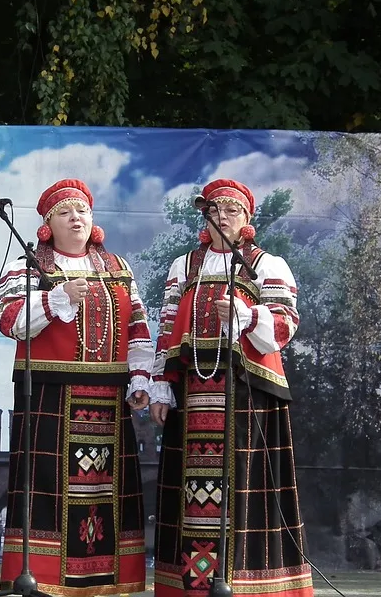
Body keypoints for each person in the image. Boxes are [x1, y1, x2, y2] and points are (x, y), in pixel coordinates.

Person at [131, 179, 314, 597]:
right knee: (194, 487)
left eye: (233, 210)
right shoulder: (186, 266)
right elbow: (167, 328)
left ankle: (250, 583)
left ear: (248, 219)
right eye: (216, 209)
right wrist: (161, 383)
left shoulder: (266, 264)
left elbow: (285, 323)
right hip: (195, 390)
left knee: (243, 487)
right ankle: (195, 584)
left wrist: (247, 316)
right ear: (205, 217)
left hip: (249, 390)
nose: (224, 216)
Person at [0, 178, 153, 597]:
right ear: (48, 224)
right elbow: (10, 321)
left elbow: (137, 327)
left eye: (82, 210)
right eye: (65, 212)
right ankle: (44, 581)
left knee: (106, 489)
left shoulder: (117, 268)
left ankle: (101, 580)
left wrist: (139, 377)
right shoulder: (29, 266)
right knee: (48, 486)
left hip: (107, 396)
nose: (76, 218)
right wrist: (56, 297)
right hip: (49, 392)